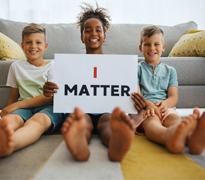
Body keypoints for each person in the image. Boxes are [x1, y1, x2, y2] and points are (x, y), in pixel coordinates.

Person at [43, 3, 145, 162]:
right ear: (81, 37)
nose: (93, 33)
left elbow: (128, 88)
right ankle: (79, 142)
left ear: (104, 36)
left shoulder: (117, 65)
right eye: (88, 30)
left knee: (108, 121)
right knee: (82, 121)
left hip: (107, 109)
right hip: (80, 109)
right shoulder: (69, 64)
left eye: (98, 29)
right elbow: (61, 90)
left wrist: (136, 97)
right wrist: (51, 90)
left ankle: (115, 142)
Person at [0, 23, 64, 160]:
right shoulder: (15, 67)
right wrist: (9, 110)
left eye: (38, 42)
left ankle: (10, 144)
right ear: (22, 46)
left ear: (45, 46)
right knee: (10, 121)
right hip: (23, 108)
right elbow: (14, 97)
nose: (33, 46)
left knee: (36, 122)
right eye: (29, 42)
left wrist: (17, 105)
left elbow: (50, 97)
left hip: (48, 108)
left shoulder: (53, 66)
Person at [133, 25, 205, 154]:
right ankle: (167, 136)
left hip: (166, 108)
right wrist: (148, 105)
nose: (152, 48)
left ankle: (191, 138)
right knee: (152, 123)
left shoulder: (170, 71)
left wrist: (165, 104)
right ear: (140, 48)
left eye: (156, 44)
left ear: (163, 47)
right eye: (147, 44)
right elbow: (137, 94)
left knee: (176, 121)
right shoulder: (136, 69)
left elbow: (173, 97)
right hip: (146, 108)